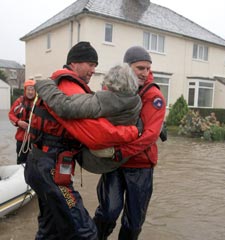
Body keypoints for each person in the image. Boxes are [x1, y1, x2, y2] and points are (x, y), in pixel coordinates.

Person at [34, 46, 166, 240]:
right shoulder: (110, 90)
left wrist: (118, 151)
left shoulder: (154, 96)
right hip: (112, 165)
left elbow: (148, 136)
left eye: (147, 68)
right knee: (107, 213)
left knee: (134, 221)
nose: (145, 73)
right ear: (127, 68)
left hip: (139, 165)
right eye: (140, 68)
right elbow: (93, 118)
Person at [8, 79, 36, 164]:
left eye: (32, 90)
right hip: (21, 138)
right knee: (21, 163)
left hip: (35, 140)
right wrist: (18, 122)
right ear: (25, 90)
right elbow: (11, 114)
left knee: (34, 164)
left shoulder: (39, 103)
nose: (30, 92)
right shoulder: (19, 101)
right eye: (28, 89)